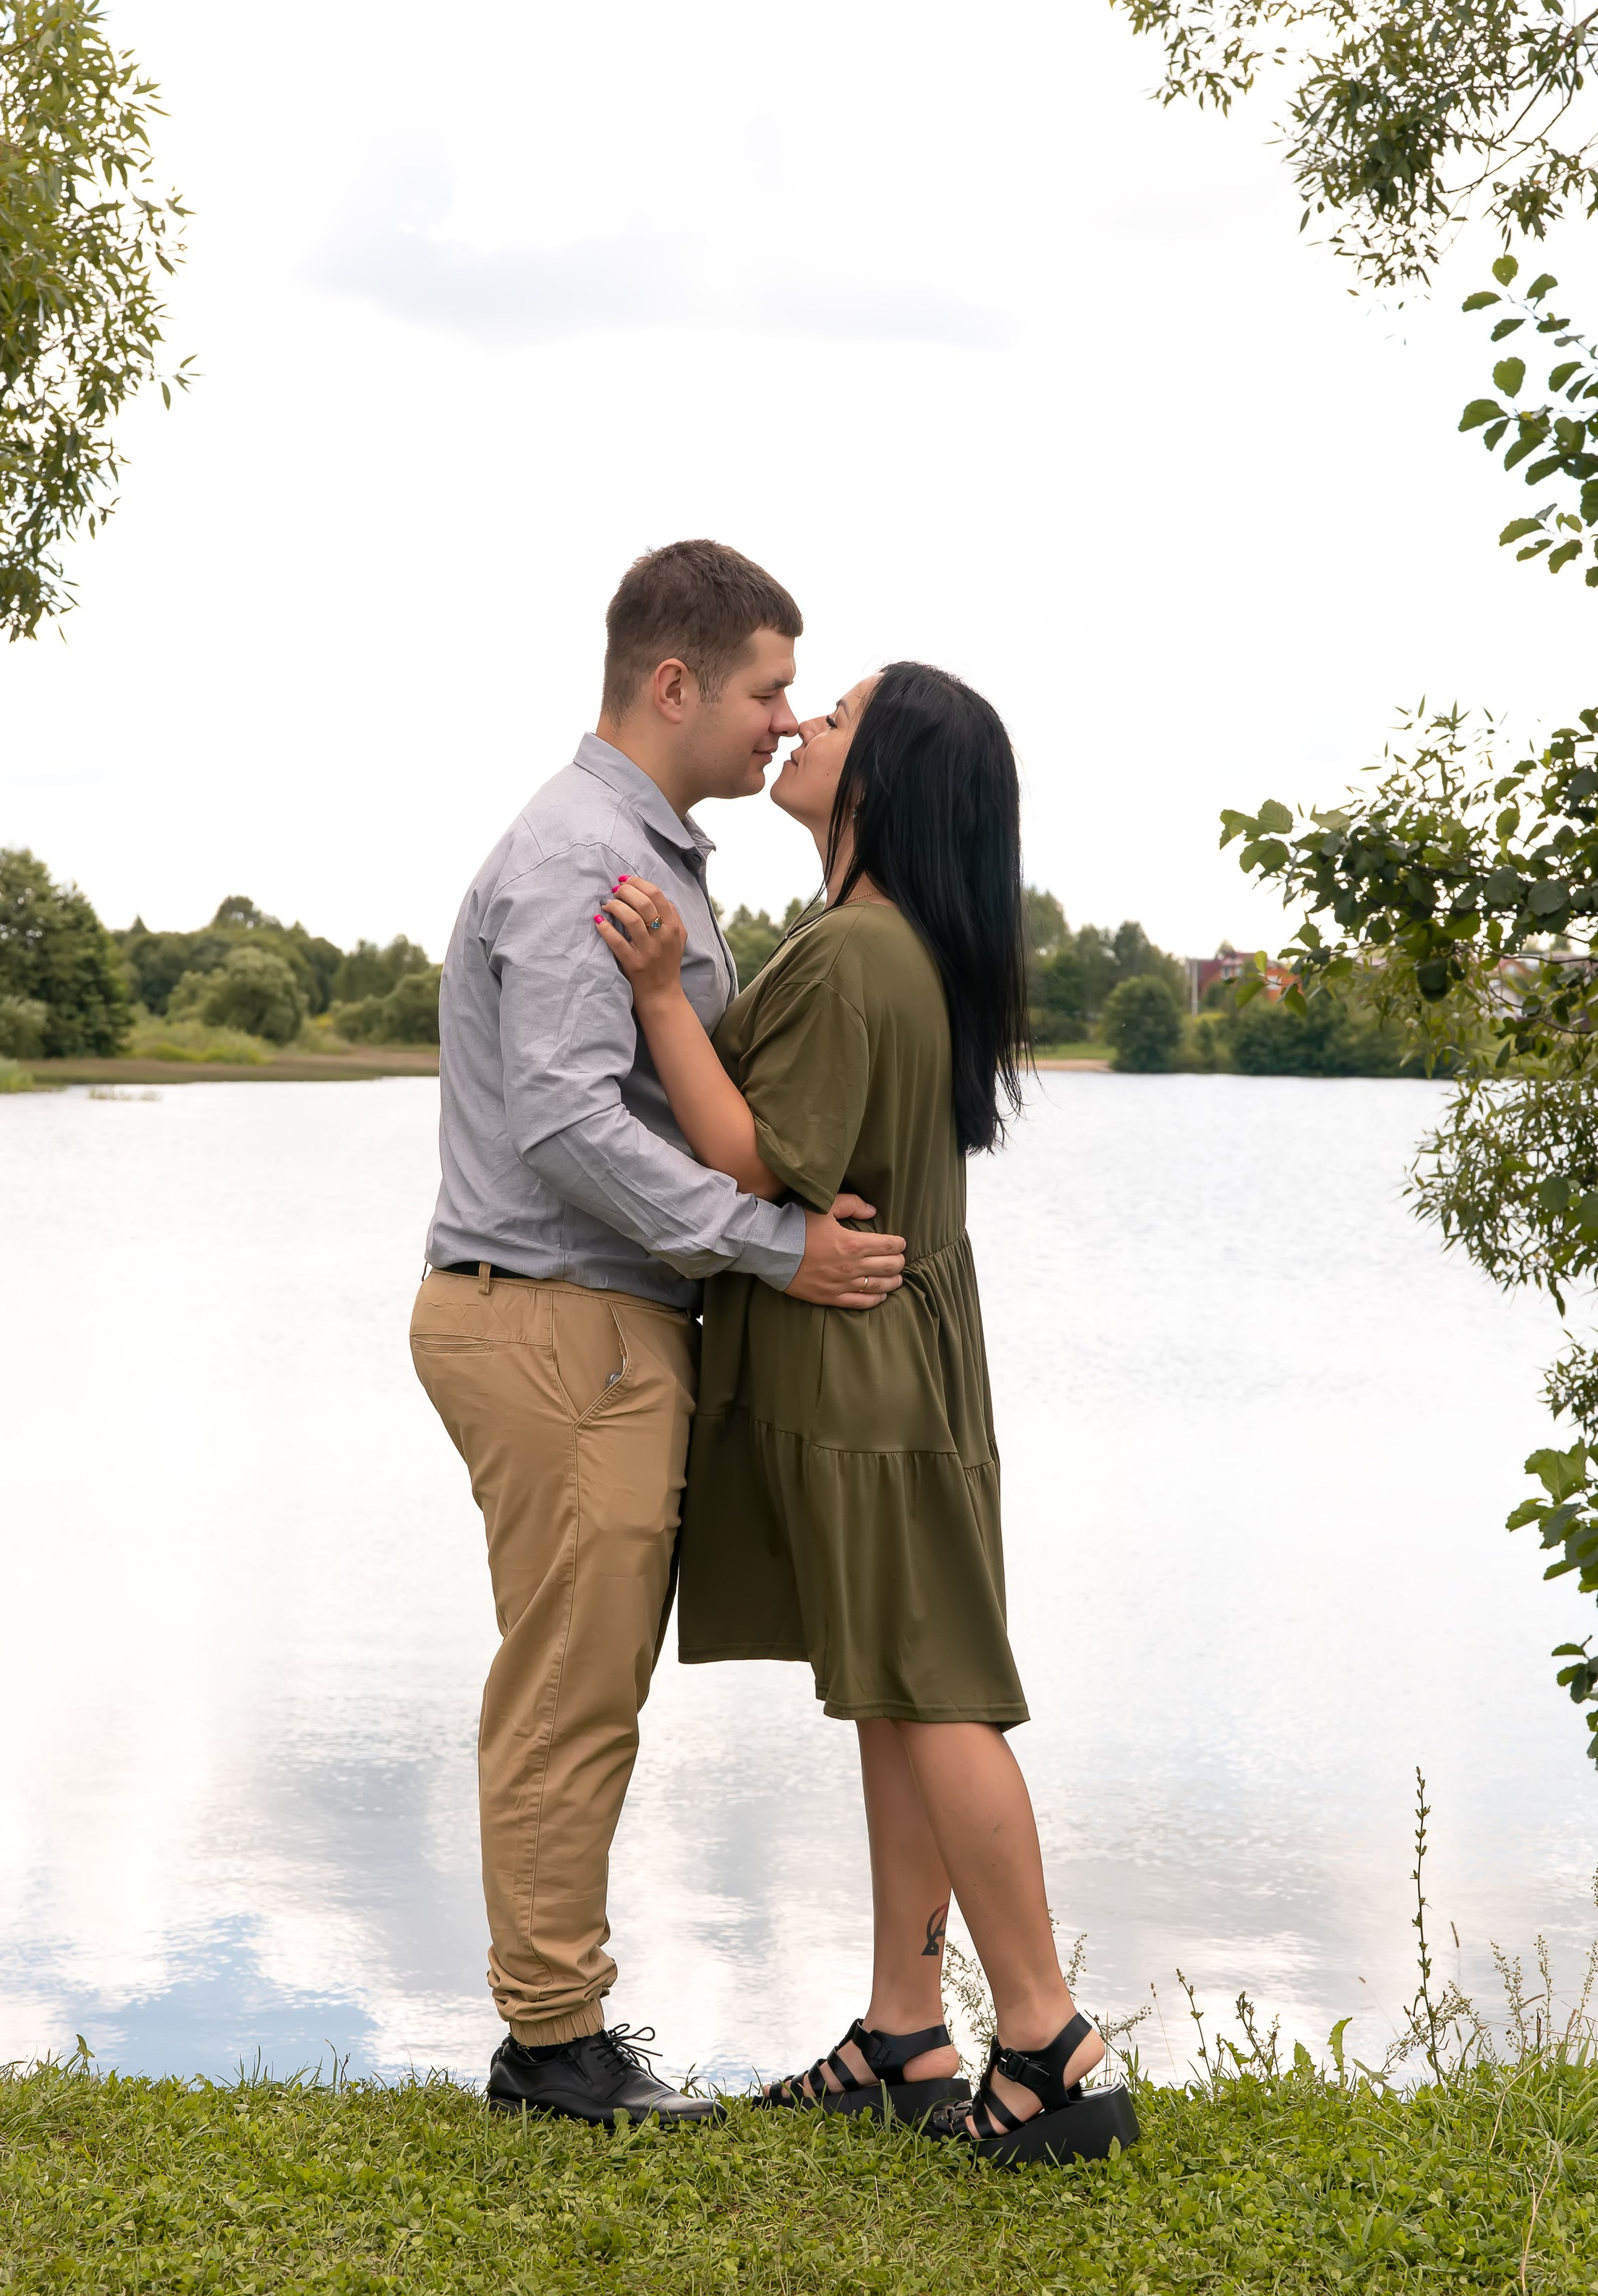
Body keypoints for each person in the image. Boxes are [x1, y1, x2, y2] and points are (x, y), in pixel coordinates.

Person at [593, 661, 1138, 2166]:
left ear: (883, 776)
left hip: (863, 1373)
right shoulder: (893, 945)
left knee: (937, 1689)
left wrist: (652, 996)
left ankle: (1050, 2044)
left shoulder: (852, 956)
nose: (799, 728)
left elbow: (749, 1158)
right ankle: (908, 2032)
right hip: (905, 1360)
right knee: (897, 1693)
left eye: (831, 718)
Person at [411, 541, 908, 2131]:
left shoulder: (643, 853)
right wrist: (773, 1249)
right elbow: (563, 1119)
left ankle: (553, 2030)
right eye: (767, 690)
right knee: (571, 1690)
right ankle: (551, 2050)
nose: (779, 722)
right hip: (561, 1320)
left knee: (579, 1681)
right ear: (676, 682)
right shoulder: (582, 858)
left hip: (585, 1323)